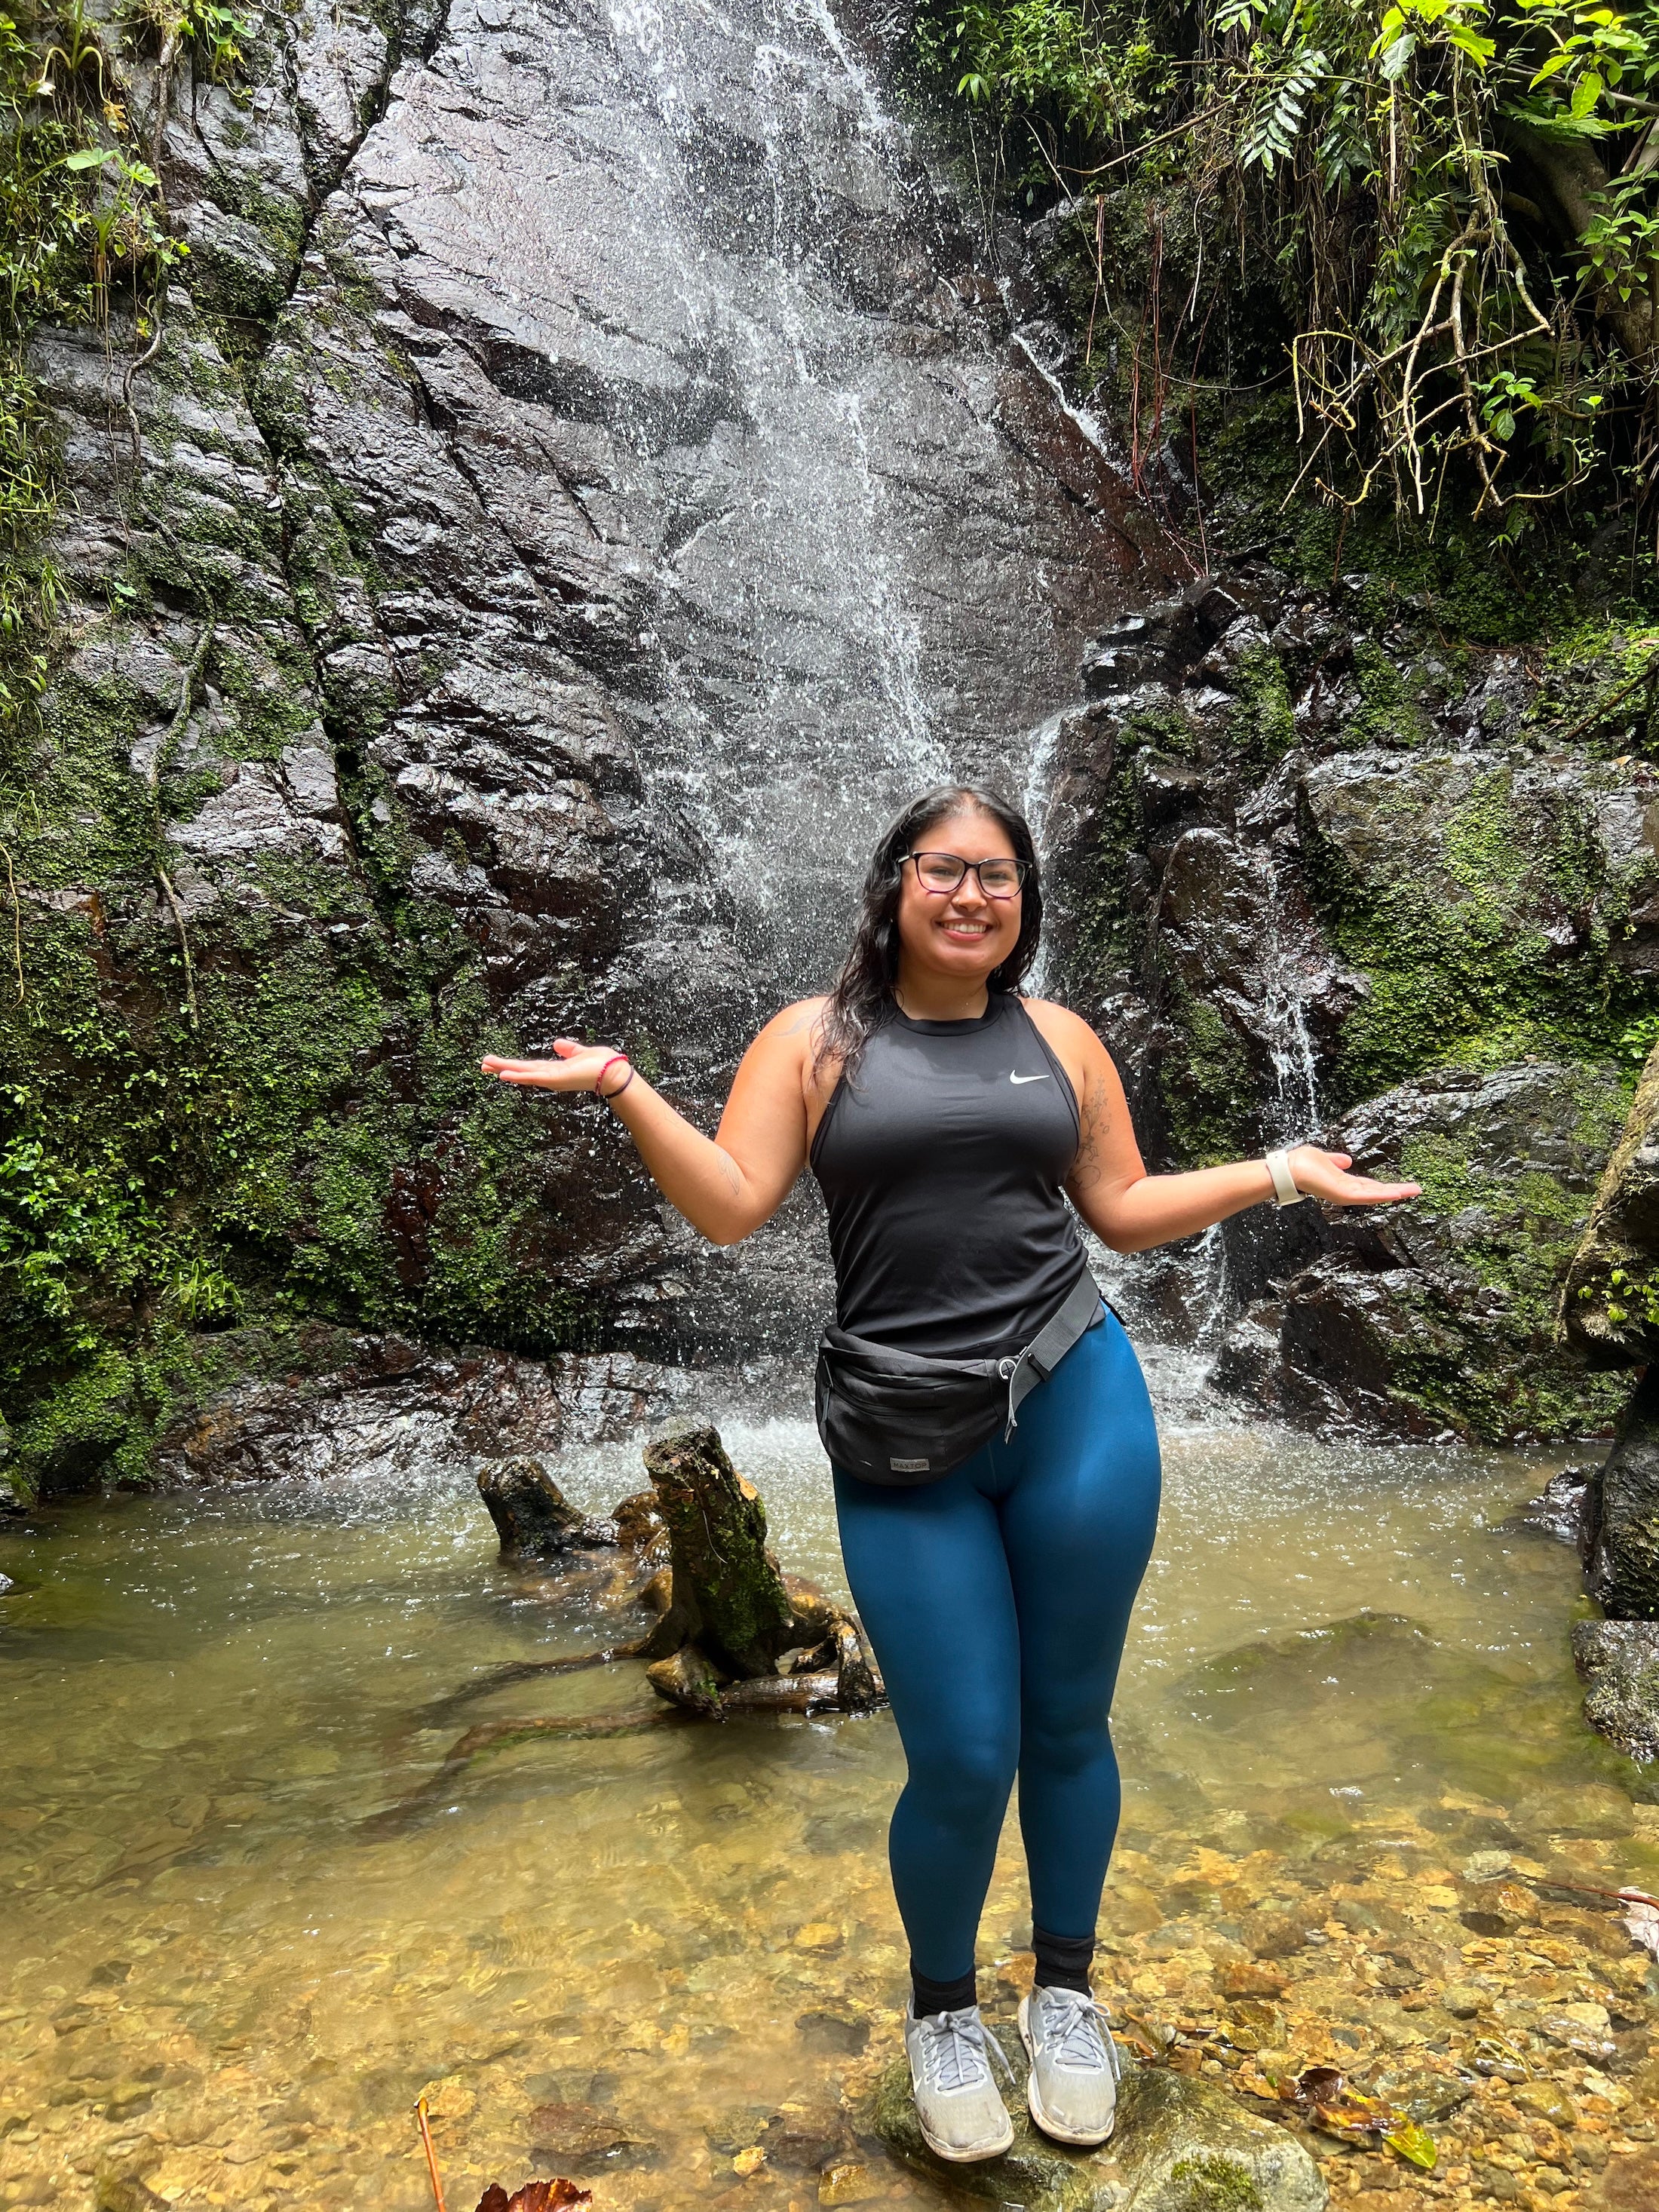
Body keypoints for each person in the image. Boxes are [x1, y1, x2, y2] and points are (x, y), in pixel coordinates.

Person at [480, 784, 1419, 2164]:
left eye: (999, 874)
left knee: (1067, 1726)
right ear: (896, 884)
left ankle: (1066, 1995)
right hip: (901, 1433)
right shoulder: (812, 1040)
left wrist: (1279, 1171)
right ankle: (940, 2013)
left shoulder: (1064, 1041)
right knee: (963, 1754)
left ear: (1023, 898)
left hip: (1077, 1398)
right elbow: (733, 1205)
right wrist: (625, 1089)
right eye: (945, 870)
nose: (971, 894)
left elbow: (1121, 1208)